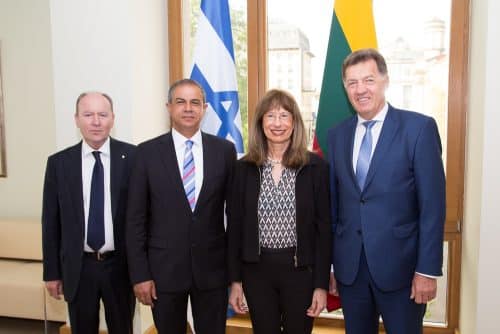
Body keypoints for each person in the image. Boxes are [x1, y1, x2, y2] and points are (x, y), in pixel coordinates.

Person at [327, 48, 446, 334]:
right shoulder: (337, 135)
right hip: (351, 272)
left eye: (368, 80)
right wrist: (332, 265)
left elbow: (432, 206)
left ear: (385, 81)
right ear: (345, 88)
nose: (360, 90)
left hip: (403, 272)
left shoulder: (418, 129)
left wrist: (427, 270)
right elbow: (334, 206)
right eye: (352, 83)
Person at [126, 79, 236, 334]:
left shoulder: (224, 151)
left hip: (212, 272)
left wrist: (234, 274)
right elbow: (135, 220)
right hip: (163, 272)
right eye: (181, 102)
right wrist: (140, 275)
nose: (188, 108)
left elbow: (235, 215)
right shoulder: (146, 153)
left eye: (195, 102)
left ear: (205, 108)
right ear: (169, 107)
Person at [228, 89, 331, 334]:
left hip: (300, 273)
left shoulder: (315, 167)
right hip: (256, 272)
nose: (277, 123)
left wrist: (320, 285)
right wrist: (235, 281)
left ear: (294, 123)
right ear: (260, 122)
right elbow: (235, 228)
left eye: (284, 116)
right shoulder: (243, 169)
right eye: (270, 116)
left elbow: (324, 229)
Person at [42, 92, 136, 334]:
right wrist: (52, 273)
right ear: (76, 119)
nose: (96, 121)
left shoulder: (134, 158)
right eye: (88, 115)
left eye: (102, 115)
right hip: (79, 267)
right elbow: (51, 224)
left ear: (112, 119)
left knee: (123, 328)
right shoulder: (59, 164)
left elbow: (143, 218)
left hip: (120, 267)